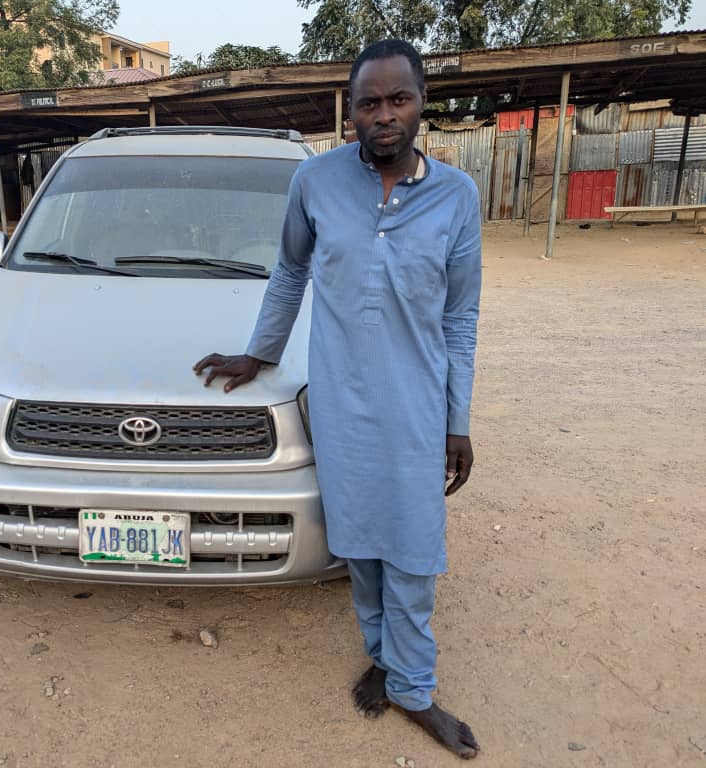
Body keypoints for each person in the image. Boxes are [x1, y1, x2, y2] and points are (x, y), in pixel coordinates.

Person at [194, 39, 482, 759]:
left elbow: (460, 317)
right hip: (340, 406)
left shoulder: (457, 197)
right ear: (349, 112)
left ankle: (414, 687)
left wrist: (458, 418)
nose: (383, 116)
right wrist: (259, 353)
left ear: (421, 105)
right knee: (358, 544)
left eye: (398, 100)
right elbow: (291, 271)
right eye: (369, 103)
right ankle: (383, 658)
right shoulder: (316, 183)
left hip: (416, 408)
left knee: (413, 550)